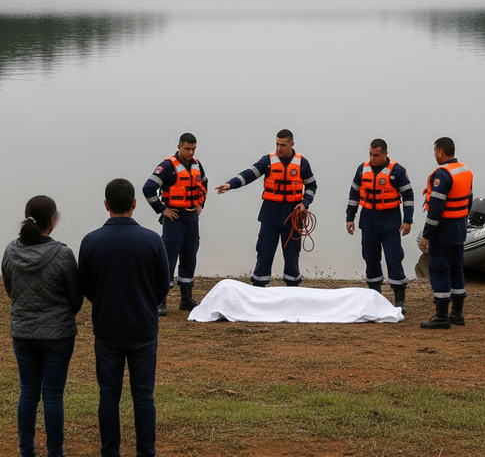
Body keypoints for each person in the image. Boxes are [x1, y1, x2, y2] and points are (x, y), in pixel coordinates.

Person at [78, 179, 170, 457]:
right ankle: (146, 451)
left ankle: (110, 452)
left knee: (108, 396)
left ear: (106, 205)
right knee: (143, 396)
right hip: (143, 328)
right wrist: (145, 304)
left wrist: (106, 303)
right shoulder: (152, 240)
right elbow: (162, 285)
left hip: (107, 329)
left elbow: (87, 286)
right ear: (134, 204)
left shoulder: (90, 241)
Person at [1, 195, 83, 457]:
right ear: (52, 220)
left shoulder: (11, 251)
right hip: (58, 335)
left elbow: (10, 289)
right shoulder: (63, 254)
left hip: (23, 333)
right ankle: (54, 452)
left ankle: (27, 451)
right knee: (53, 396)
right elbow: (75, 297)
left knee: (28, 393)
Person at [215, 129, 317, 286]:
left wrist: (305, 203)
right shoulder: (268, 160)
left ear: (292, 144)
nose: (279, 148)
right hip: (270, 214)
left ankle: (292, 289)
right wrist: (230, 184)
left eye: (283, 145)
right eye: (277, 144)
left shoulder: (302, 163)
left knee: (292, 255)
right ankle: (258, 288)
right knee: (264, 252)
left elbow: (311, 186)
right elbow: (249, 174)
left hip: (293, 215)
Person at [142, 133, 208, 315]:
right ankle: (160, 301)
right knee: (168, 259)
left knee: (190, 257)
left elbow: (204, 183)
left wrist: (201, 204)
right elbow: (148, 188)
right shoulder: (167, 166)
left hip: (192, 218)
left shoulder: (196, 164)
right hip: (174, 219)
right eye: (187, 148)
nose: (191, 152)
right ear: (179, 147)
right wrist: (162, 209)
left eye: (193, 149)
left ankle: (186, 299)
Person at [346, 138, 414, 314]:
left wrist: (408, 220)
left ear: (385, 154)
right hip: (368, 219)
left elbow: (408, 197)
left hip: (390, 219)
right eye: (370, 154)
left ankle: (399, 300)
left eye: (376, 155)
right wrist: (350, 217)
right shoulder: (362, 169)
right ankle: (374, 297)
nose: (372, 158)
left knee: (393, 258)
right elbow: (354, 194)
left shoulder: (397, 171)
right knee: (370, 258)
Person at [418, 137, 473, 329]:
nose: (434, 155)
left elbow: (435, 210)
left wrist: (426, 235)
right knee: (456, 269)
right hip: (459, 228)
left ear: (440, 152)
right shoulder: (465, 171)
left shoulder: (441, 175)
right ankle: (457, 313)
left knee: (439, 270)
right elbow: (469, 200)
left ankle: (441, 316)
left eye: (435, 151)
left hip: (443, 231)